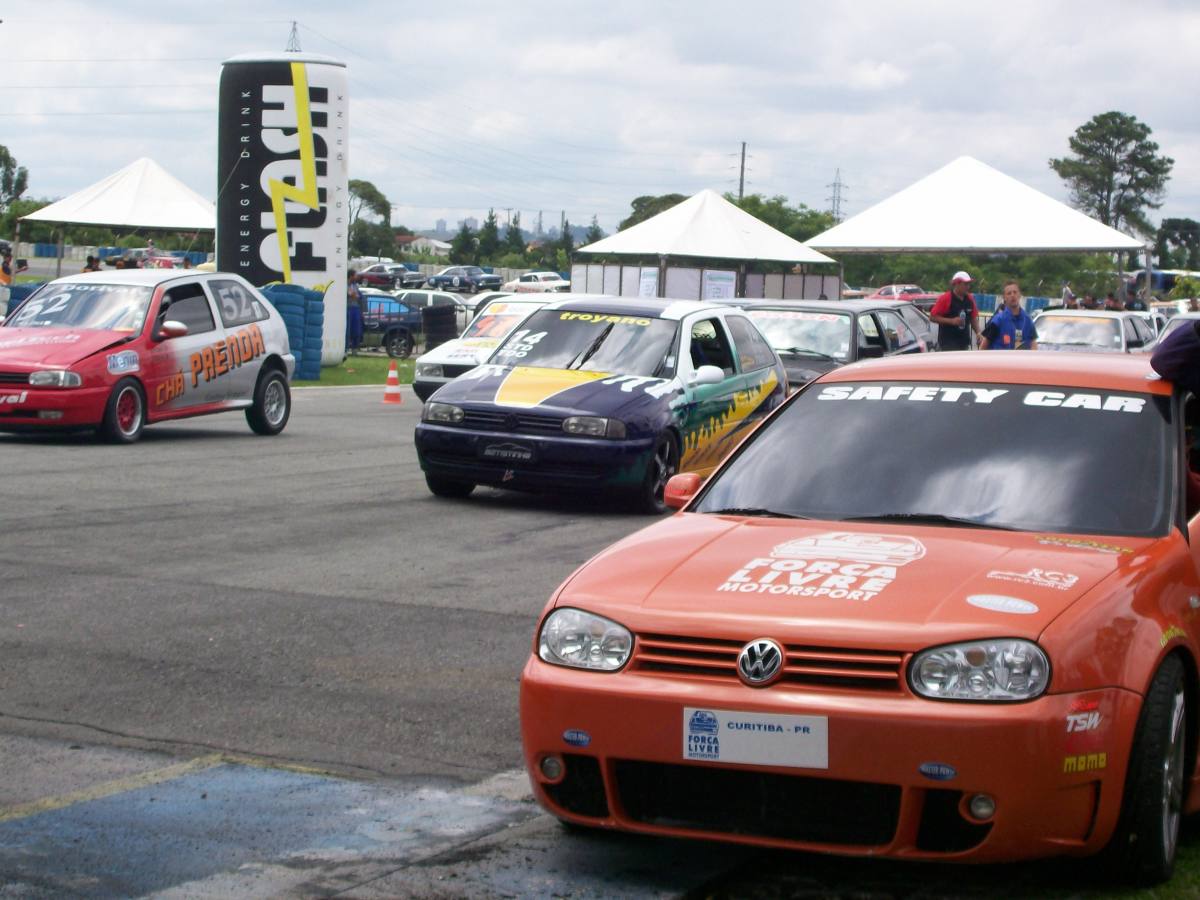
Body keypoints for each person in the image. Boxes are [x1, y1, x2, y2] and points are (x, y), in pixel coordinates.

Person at [929, 270, 981, 351]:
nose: (968, 287)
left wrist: (978, 332)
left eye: (969, 284)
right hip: (947, 345)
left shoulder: (970, 299)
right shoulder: (946, 298)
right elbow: (932, 317)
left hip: (964, 344)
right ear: (957, 284)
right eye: (965, 284)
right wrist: (951, 321)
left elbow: (973, 318)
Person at [980, 280, 1038, 350]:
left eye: (1015, 292)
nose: (1012, 295)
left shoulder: (1028, 320)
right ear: (1004, 297)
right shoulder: (997, 320)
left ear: (1019, 295)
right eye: (1009, 293)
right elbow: (984, 346)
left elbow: (1034, 345)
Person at [346, 270, 364, 354]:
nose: (357, 277)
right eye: (355, 275)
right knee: (347, 329)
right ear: (351, 276)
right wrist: (354, 295)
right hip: (348, 308)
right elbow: (352, 295)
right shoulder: (345, 284)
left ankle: (355, 349)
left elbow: (357, 296)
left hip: (356, 308)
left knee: (356, 330)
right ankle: (345, 349)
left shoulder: (355, 285)